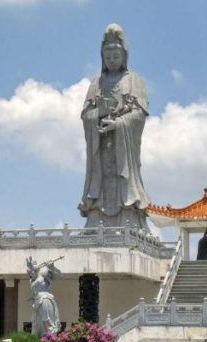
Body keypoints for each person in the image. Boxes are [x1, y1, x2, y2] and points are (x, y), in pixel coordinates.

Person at [79, 23, 151, 229]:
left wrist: (119, 124)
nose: (111, 60)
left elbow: (139, 114)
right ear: (102, 56)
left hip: (123, 147)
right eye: (107, 56)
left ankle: (129, 218)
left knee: (124, 181)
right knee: (100, 180)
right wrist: (98, 115)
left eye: (116, 57)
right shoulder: (96, 83)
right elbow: (85, 115)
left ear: (124, 56)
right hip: (100, 147)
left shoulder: (134, 80)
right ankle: (95, 219)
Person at [26, 256, 62, 337]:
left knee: (47, 321)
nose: (30, 274)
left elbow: (59, 275)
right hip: (36, 303)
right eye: (29, 273)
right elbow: (35, 292)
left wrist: (52, 267)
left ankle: (51, 340)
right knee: (36, 323)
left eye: (32, 271)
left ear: (36, 270)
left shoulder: (43, 275)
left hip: (45, 300)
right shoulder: (31, 280)